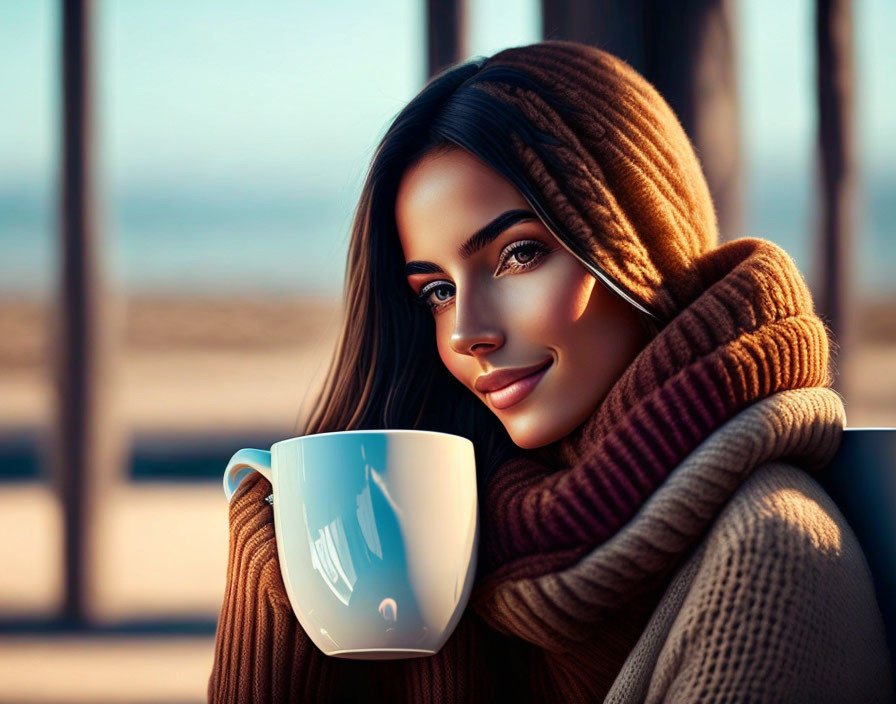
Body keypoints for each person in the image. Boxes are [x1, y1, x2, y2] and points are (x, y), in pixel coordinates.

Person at [207, 40, 894, 702]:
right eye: (436, 292)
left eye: (518, 255)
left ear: (642, 243)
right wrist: (279, 598)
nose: (468, 332)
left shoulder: (767, 560)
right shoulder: (443, 550)